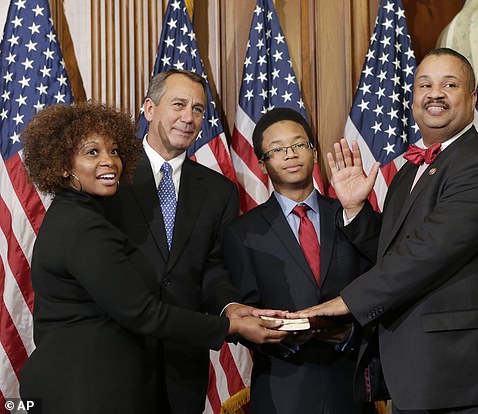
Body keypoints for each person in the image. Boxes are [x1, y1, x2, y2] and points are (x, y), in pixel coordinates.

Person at [19, 102, 286, 414]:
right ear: (63, 164)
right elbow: (144, 312)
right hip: (86, 389)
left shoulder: (76, 215)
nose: (109, 161)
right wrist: (230, 327)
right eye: (92, 152)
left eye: (115, 151)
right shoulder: (84, 227)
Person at [292, 48, 478, 414]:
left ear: (472, 98)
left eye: (450, 84)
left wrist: (346, 302)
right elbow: (394, 248)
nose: (435, 93)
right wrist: (355, 209)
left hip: (458, 373)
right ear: (413, 99)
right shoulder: (408, 172)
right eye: (424, 84)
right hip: (417, 372)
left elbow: (429, 252)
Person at [104, 69, 263, 413]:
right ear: (149, 108)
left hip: (184, 359)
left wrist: (230, 307)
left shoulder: (219, 191)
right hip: (118, 350)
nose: (189, 118)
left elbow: (215, 269)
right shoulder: (110, 177)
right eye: (179, 105)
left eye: (198, 109)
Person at [223, 108, 372, 414]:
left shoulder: (350, 215)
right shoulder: (244, 232)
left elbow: (380, 287)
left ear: (314, 153)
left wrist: (349, 336)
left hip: (348, 388)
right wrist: (284, 336)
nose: (290, 154)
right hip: (283, 389)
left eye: (298, 144)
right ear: (262, 164)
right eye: (277, 149)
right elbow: (245, 311)